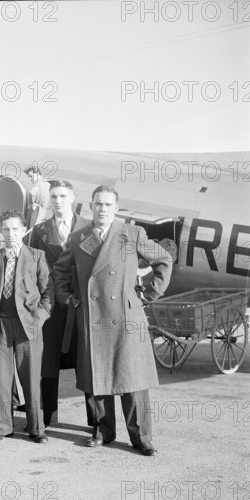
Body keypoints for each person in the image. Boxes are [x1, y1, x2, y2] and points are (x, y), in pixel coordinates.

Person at [53, 185, 172, 456]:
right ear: (91, 206)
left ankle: (141, 437)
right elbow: (59, 271)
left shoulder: (132, 234)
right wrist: (69, 298)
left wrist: (148, 294)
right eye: (98, 204)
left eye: (108, 205)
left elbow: (164, 259)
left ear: (116, 208)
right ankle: (102, 430)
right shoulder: (78, 237)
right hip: (93, 317)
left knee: (133, 380)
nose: (102, 209)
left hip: (127, 318)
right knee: (97, 376)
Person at [0, 210, 52, 444]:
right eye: (6, 229)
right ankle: (3, 426)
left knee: (31, 378)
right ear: (1, 230)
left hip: (27, 326)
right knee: (2, 377)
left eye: (15, 229)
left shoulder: (37, 256)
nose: (10, 234)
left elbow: (48, 293)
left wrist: (38, 318)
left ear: (23, 230)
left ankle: (36, 428)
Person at [28, 179, 91, 427]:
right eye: (53, 197)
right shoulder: (38, 231)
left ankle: (96, 423)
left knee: (86, 362)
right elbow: (30, 268)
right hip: (51, 305)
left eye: (63, 196)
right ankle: (47, 418)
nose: (58, 201)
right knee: (48, 362)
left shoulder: (89, 228)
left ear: (73, 197)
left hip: (81, 303)